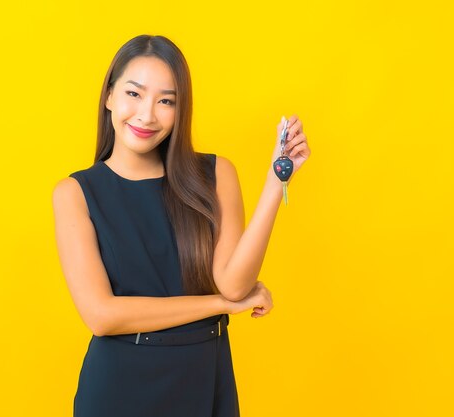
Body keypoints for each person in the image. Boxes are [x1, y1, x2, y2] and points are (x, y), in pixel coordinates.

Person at [52, 34, 311, 417]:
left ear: (180, 109)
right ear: (109, 95)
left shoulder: (215, 173)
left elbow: (235, 283)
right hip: (118, 389)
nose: (147, 115)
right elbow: (102, 316)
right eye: (134, 94)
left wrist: (276, 183)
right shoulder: (75, 192)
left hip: (205, 379)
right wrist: (221, 305)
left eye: (166, 101)